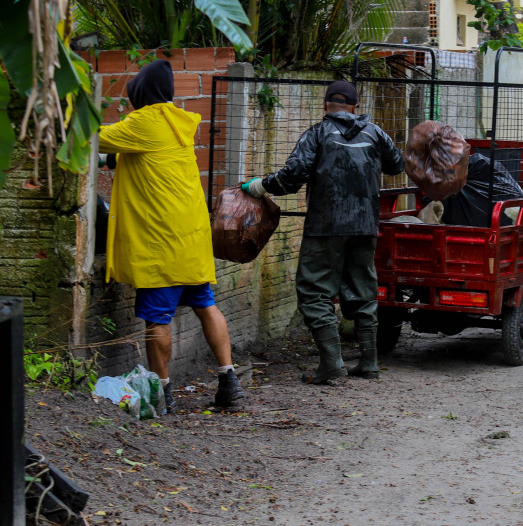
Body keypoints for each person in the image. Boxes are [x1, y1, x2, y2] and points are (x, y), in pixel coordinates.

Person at [98, 59, 244, 413]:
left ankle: (163, 395)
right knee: (205, 304)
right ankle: (230, 381)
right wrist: (112, 159)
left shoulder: (143, 122)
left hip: (159, 241)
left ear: (140, 94)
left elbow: (90, 137)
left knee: (157, 318)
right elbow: (142, 158)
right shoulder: (178, 122)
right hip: (192, 237)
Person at [242, 80, 405, 384]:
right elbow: (397, 165)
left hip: (326, 226)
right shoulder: (376, 133)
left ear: (325, 104)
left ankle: (332, 364)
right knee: (363, 289)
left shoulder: (317, 134)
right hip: (365, 226)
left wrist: (260, 186)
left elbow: (292, 177)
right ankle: (368, 363)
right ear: (356, 107)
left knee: (314, 290)